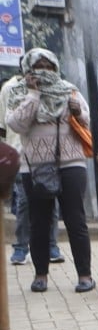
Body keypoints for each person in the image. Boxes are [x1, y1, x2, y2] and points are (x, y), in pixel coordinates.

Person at [5, 49, 94, 294]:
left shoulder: (69, 89)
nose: (43, 71)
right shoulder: (18, 93)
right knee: (39, 222)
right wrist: (33, 95)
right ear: (28, 70)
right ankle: (40, 275)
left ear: (55, 67)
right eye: (38, 67)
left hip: (71, 163)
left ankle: (85, 275)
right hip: (34, 167)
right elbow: (16, 123)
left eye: (48, 66)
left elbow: (86, 119)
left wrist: (77, 111)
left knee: (76, 220)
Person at [1, 73, 62, 267]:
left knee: (51, 201)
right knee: (24, 203)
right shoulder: (9, 89)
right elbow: (3, 125)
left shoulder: (53, 87)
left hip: (47, 153)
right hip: (20, 152)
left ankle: (52, 246)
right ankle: (20, 248)